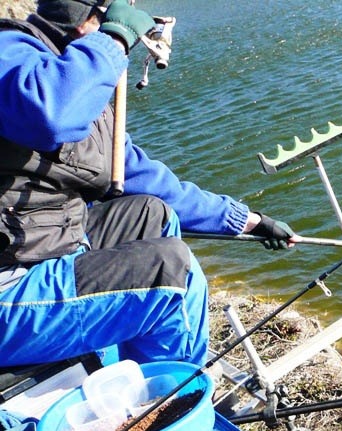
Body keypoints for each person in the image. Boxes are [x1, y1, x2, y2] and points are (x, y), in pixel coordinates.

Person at [0, 0, 299, 369]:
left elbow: (145, 178)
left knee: (152, 215)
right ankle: (161, 404)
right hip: (9, 286)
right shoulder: (10, 51)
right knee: (174, 272)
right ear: (89, 24)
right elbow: (48, 113)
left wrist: (247, 221)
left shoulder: (81, 87)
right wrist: (114, 41)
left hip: (48, 250)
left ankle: (133, 372)